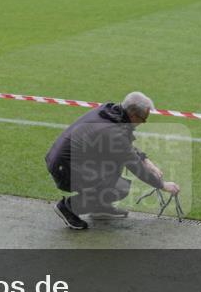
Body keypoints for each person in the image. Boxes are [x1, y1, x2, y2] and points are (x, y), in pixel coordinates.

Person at [46, 91, 181, 230]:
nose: (143, 123)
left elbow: (126, 146)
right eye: (143, 119)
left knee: (117, 176)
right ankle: (67, 207)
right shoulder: (112, 130)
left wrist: (146, 161)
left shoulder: (111, 111)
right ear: (133, 115)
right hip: (65, 169)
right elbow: (134, 164)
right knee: (119, 188)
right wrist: (162, 185)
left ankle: (99, 208)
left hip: (67, 162)